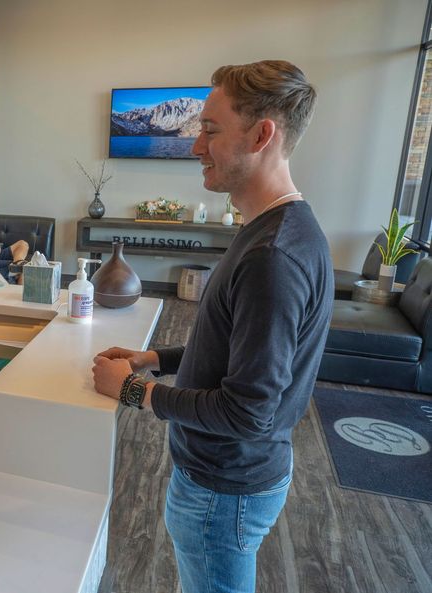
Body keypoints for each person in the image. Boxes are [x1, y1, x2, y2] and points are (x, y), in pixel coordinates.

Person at [92, 60, 333, 593]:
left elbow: (247, 411)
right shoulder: (274, 230)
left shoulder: (273, 255)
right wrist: (154, 359)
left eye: (208, 130)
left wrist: (135, 391)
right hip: (231, 480)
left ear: (263, 134)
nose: (194, 146)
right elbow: (231, 344)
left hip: (224, 489)